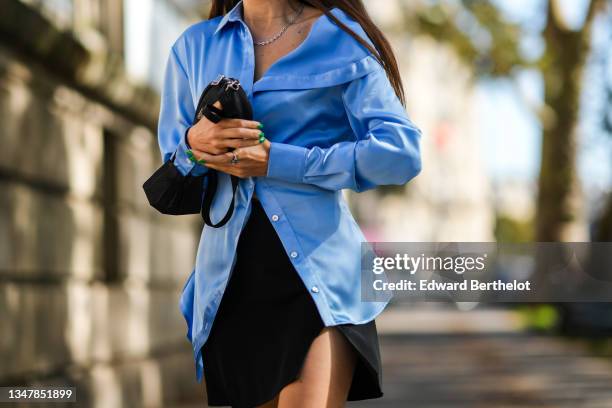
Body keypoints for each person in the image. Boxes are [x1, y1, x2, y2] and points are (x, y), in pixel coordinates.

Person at [157, 0, 422, 406]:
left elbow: (401, 153)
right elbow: (173, 168)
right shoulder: (194, 47)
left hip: (317, 280)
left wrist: (278, 161)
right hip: (229, 286)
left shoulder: (341, 37)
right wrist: (195, 144)